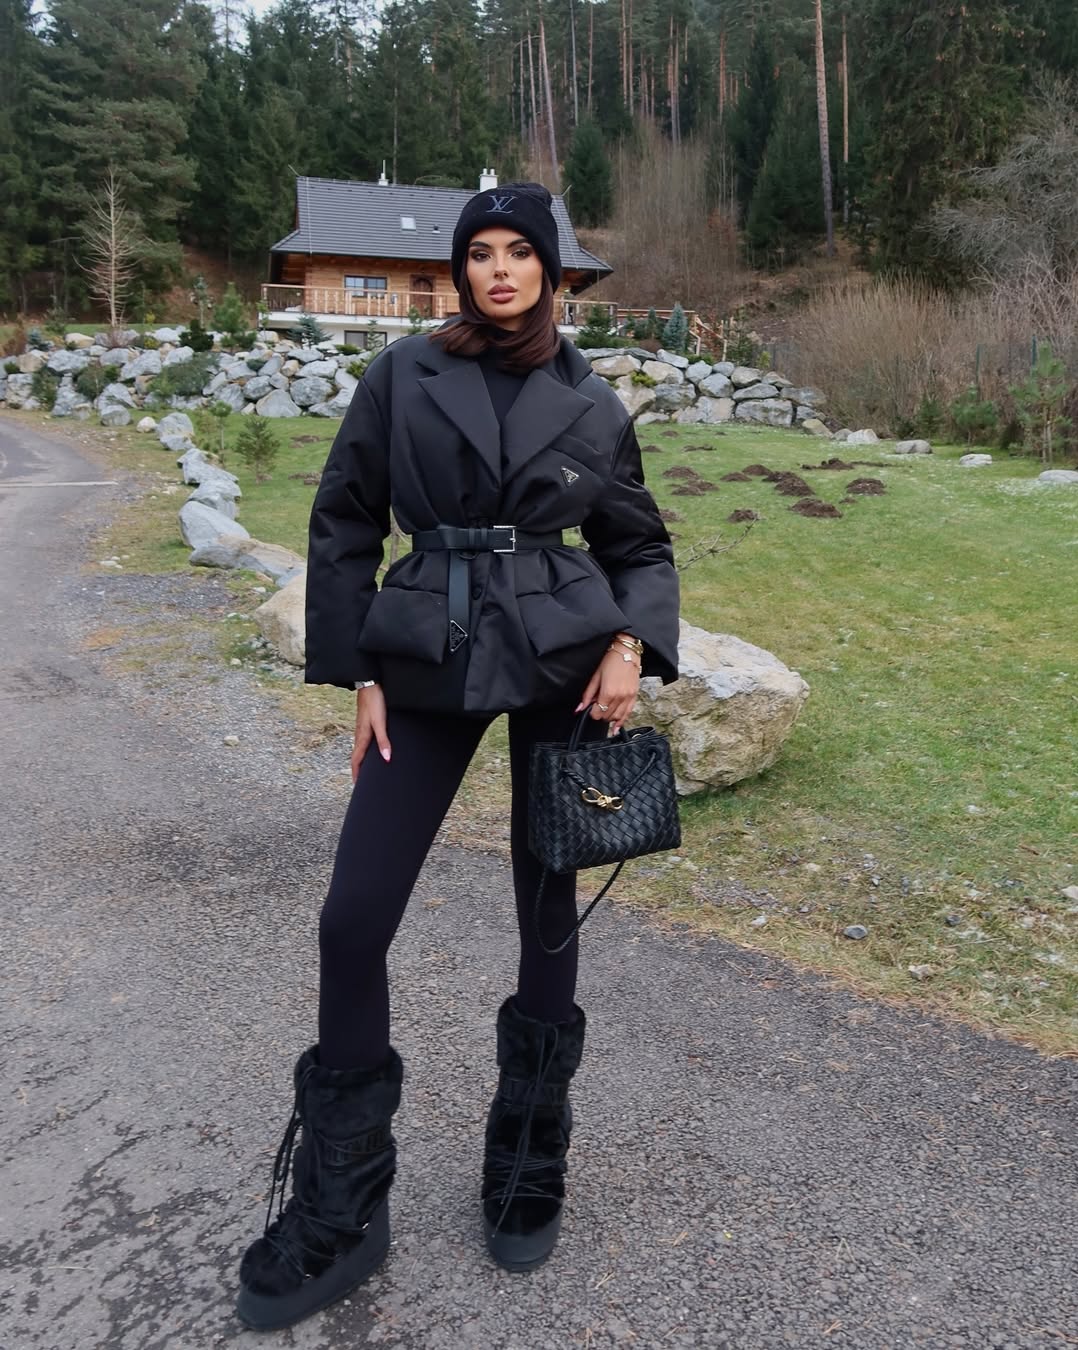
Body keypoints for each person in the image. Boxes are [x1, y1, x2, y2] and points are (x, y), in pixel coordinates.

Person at [235, 181, 680, 1331]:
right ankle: (346, 1200)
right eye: (480, 252)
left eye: (519, 253)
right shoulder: (403, 374)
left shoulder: (592, 400)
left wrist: (630, 644)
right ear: (460, 268)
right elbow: (345, 520)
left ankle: (528, 1154)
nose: (499, 270)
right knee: (352, 918)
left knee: (547, 912)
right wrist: (361, 671)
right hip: (425, 647)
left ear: (552, 271)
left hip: (560, 653)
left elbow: (637, 544)